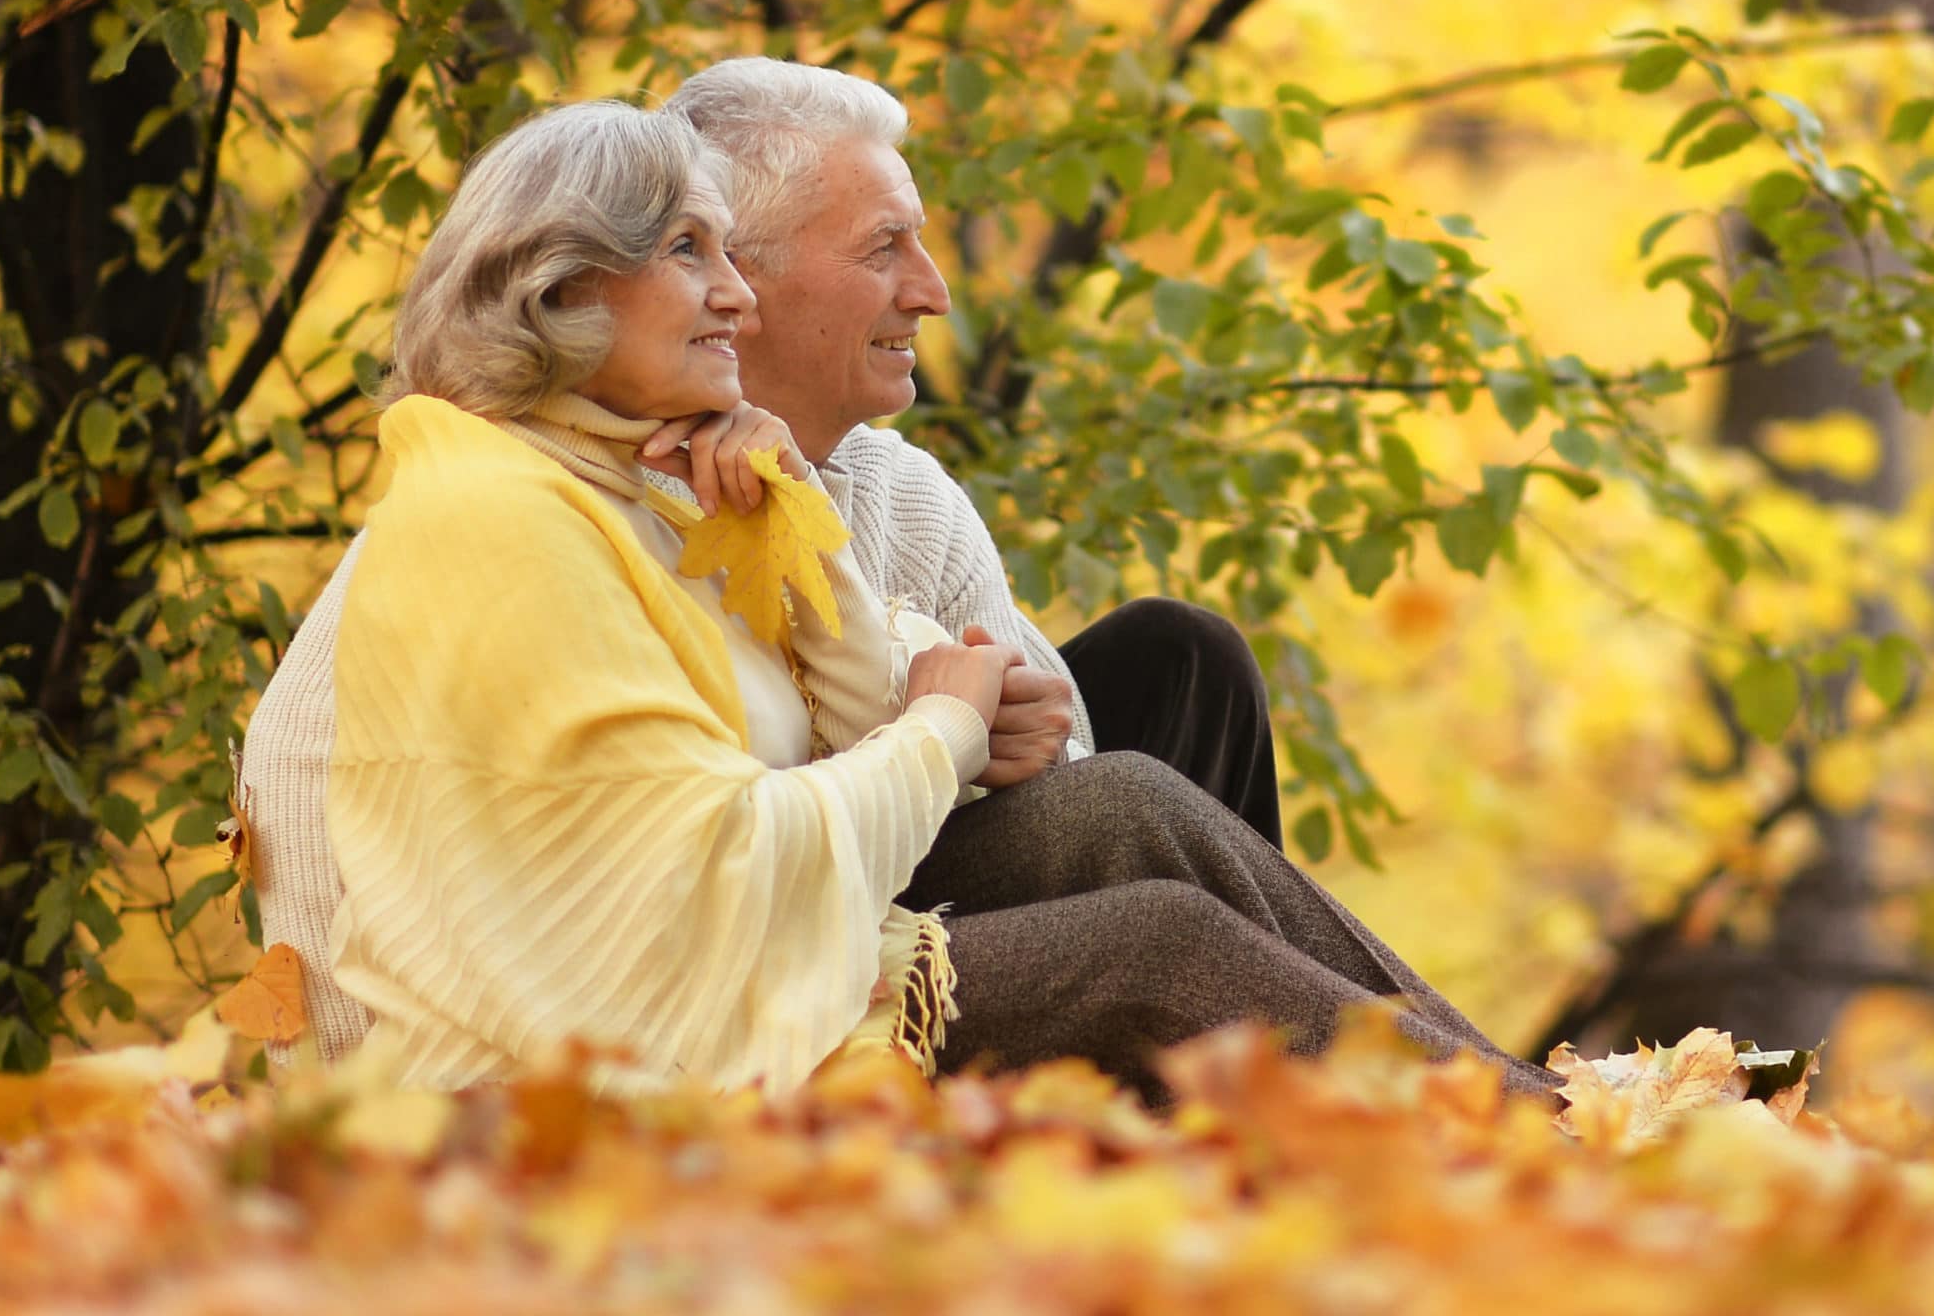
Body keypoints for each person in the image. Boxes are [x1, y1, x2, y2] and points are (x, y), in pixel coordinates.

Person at [272, 98, 1559, 1102]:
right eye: (689, 252)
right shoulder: (500, 524)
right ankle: (1569, 1154)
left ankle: (1563, 1107)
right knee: (1150, 944)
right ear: (559, 293)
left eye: (727, 253)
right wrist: (944, 730)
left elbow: (861, 722)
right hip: (609, 1059)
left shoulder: (646, 472)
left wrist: (793, 527)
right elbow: (730, 871)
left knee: (1127, 799)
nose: (733, 293)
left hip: (731, 959)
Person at [667, 57, 1280, 844]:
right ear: (737, 275)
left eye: (918, 242)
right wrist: (942, 731)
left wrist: (1031, 735)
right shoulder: (619, 492)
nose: (932, 292)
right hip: (815, 914)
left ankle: (1351, 979)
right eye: (883, 248)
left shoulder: (904, 490)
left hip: (965, 869)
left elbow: (1064, 788)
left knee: (1190, 661)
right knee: (1129, 809)